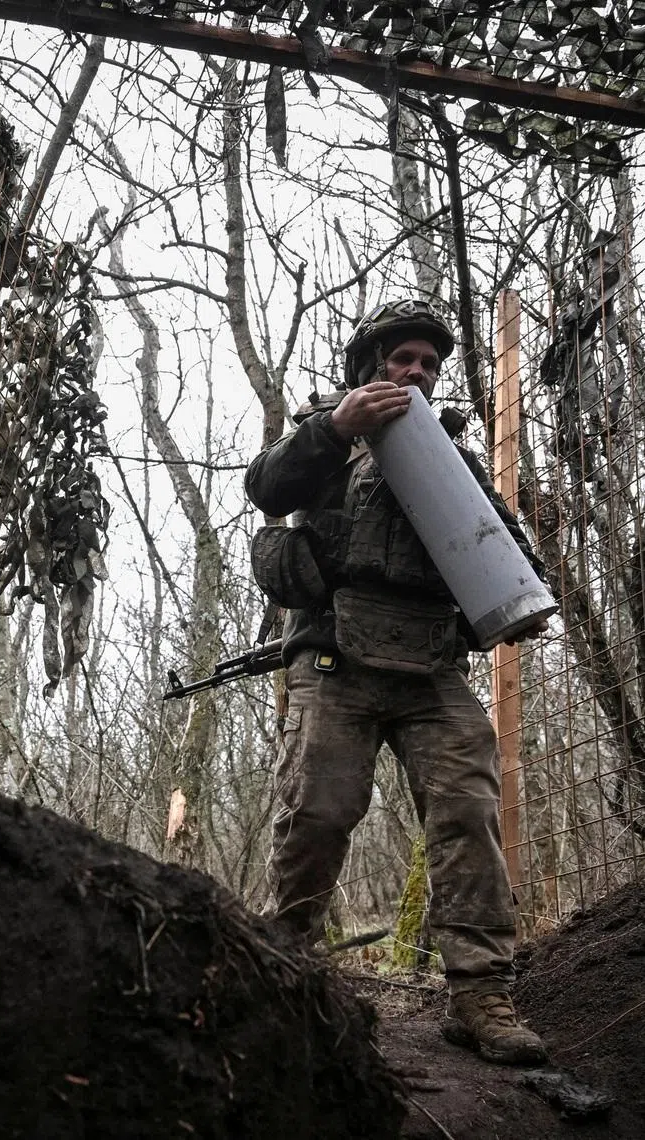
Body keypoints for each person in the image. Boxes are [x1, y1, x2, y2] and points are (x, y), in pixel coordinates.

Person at [244, 299, 549, 1066]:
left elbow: (499, 541)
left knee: (468, 813)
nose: (415, 373)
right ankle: (287, 974)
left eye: (429, 366)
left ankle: (481, 994)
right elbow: (266, 488)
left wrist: (524, 597)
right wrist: (333, 427)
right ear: (368, 364)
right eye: (402, 359)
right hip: (334, 658)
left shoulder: (451, 459)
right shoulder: (323, 437)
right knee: (316, 812)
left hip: (431, 665)